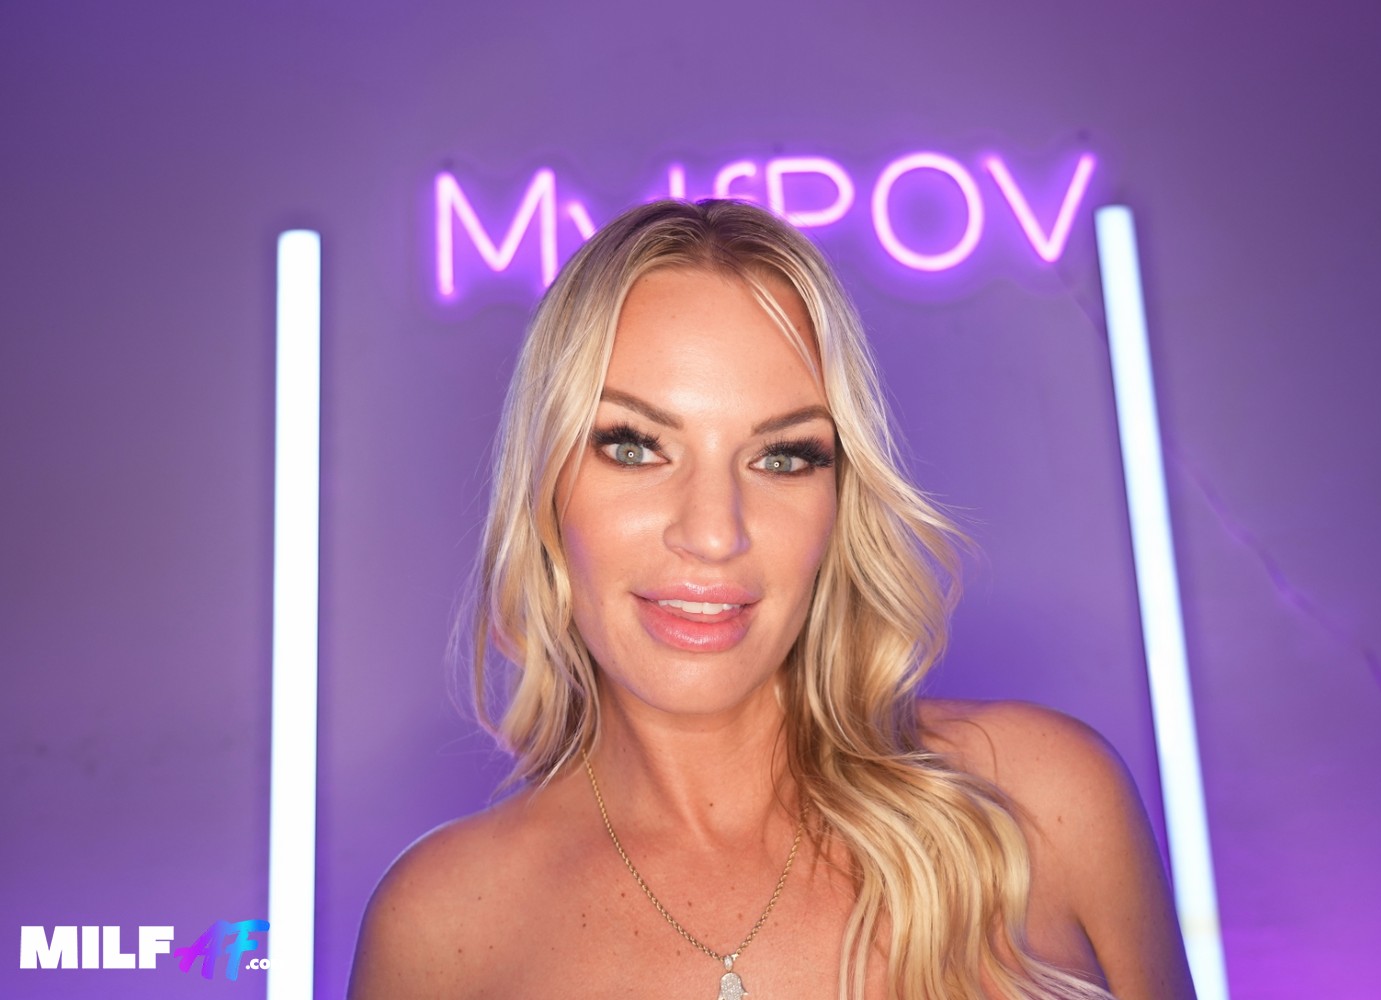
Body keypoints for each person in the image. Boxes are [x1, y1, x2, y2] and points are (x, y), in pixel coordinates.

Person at [349, 199, 1196, 999]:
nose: (714, 533)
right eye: (634, 446)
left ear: (839, 498)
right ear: (545, 489)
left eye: (783, 457)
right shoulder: (441, 929)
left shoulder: (1044, 804)